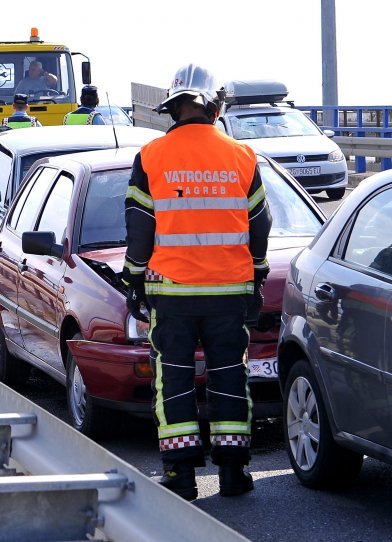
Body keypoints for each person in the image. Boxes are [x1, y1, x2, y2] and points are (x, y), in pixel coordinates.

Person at [122, 63, 272, 501]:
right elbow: (260, 225)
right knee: (229, 376)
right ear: (214, 105)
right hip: (230, 291)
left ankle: (181, 476)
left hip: (172, 293)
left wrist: (134, 280)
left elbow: (139, 229)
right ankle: (233, 472)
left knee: (175, 380)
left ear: (173, 107)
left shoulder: (151, 157)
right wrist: (257, 276)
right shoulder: (243, 156)